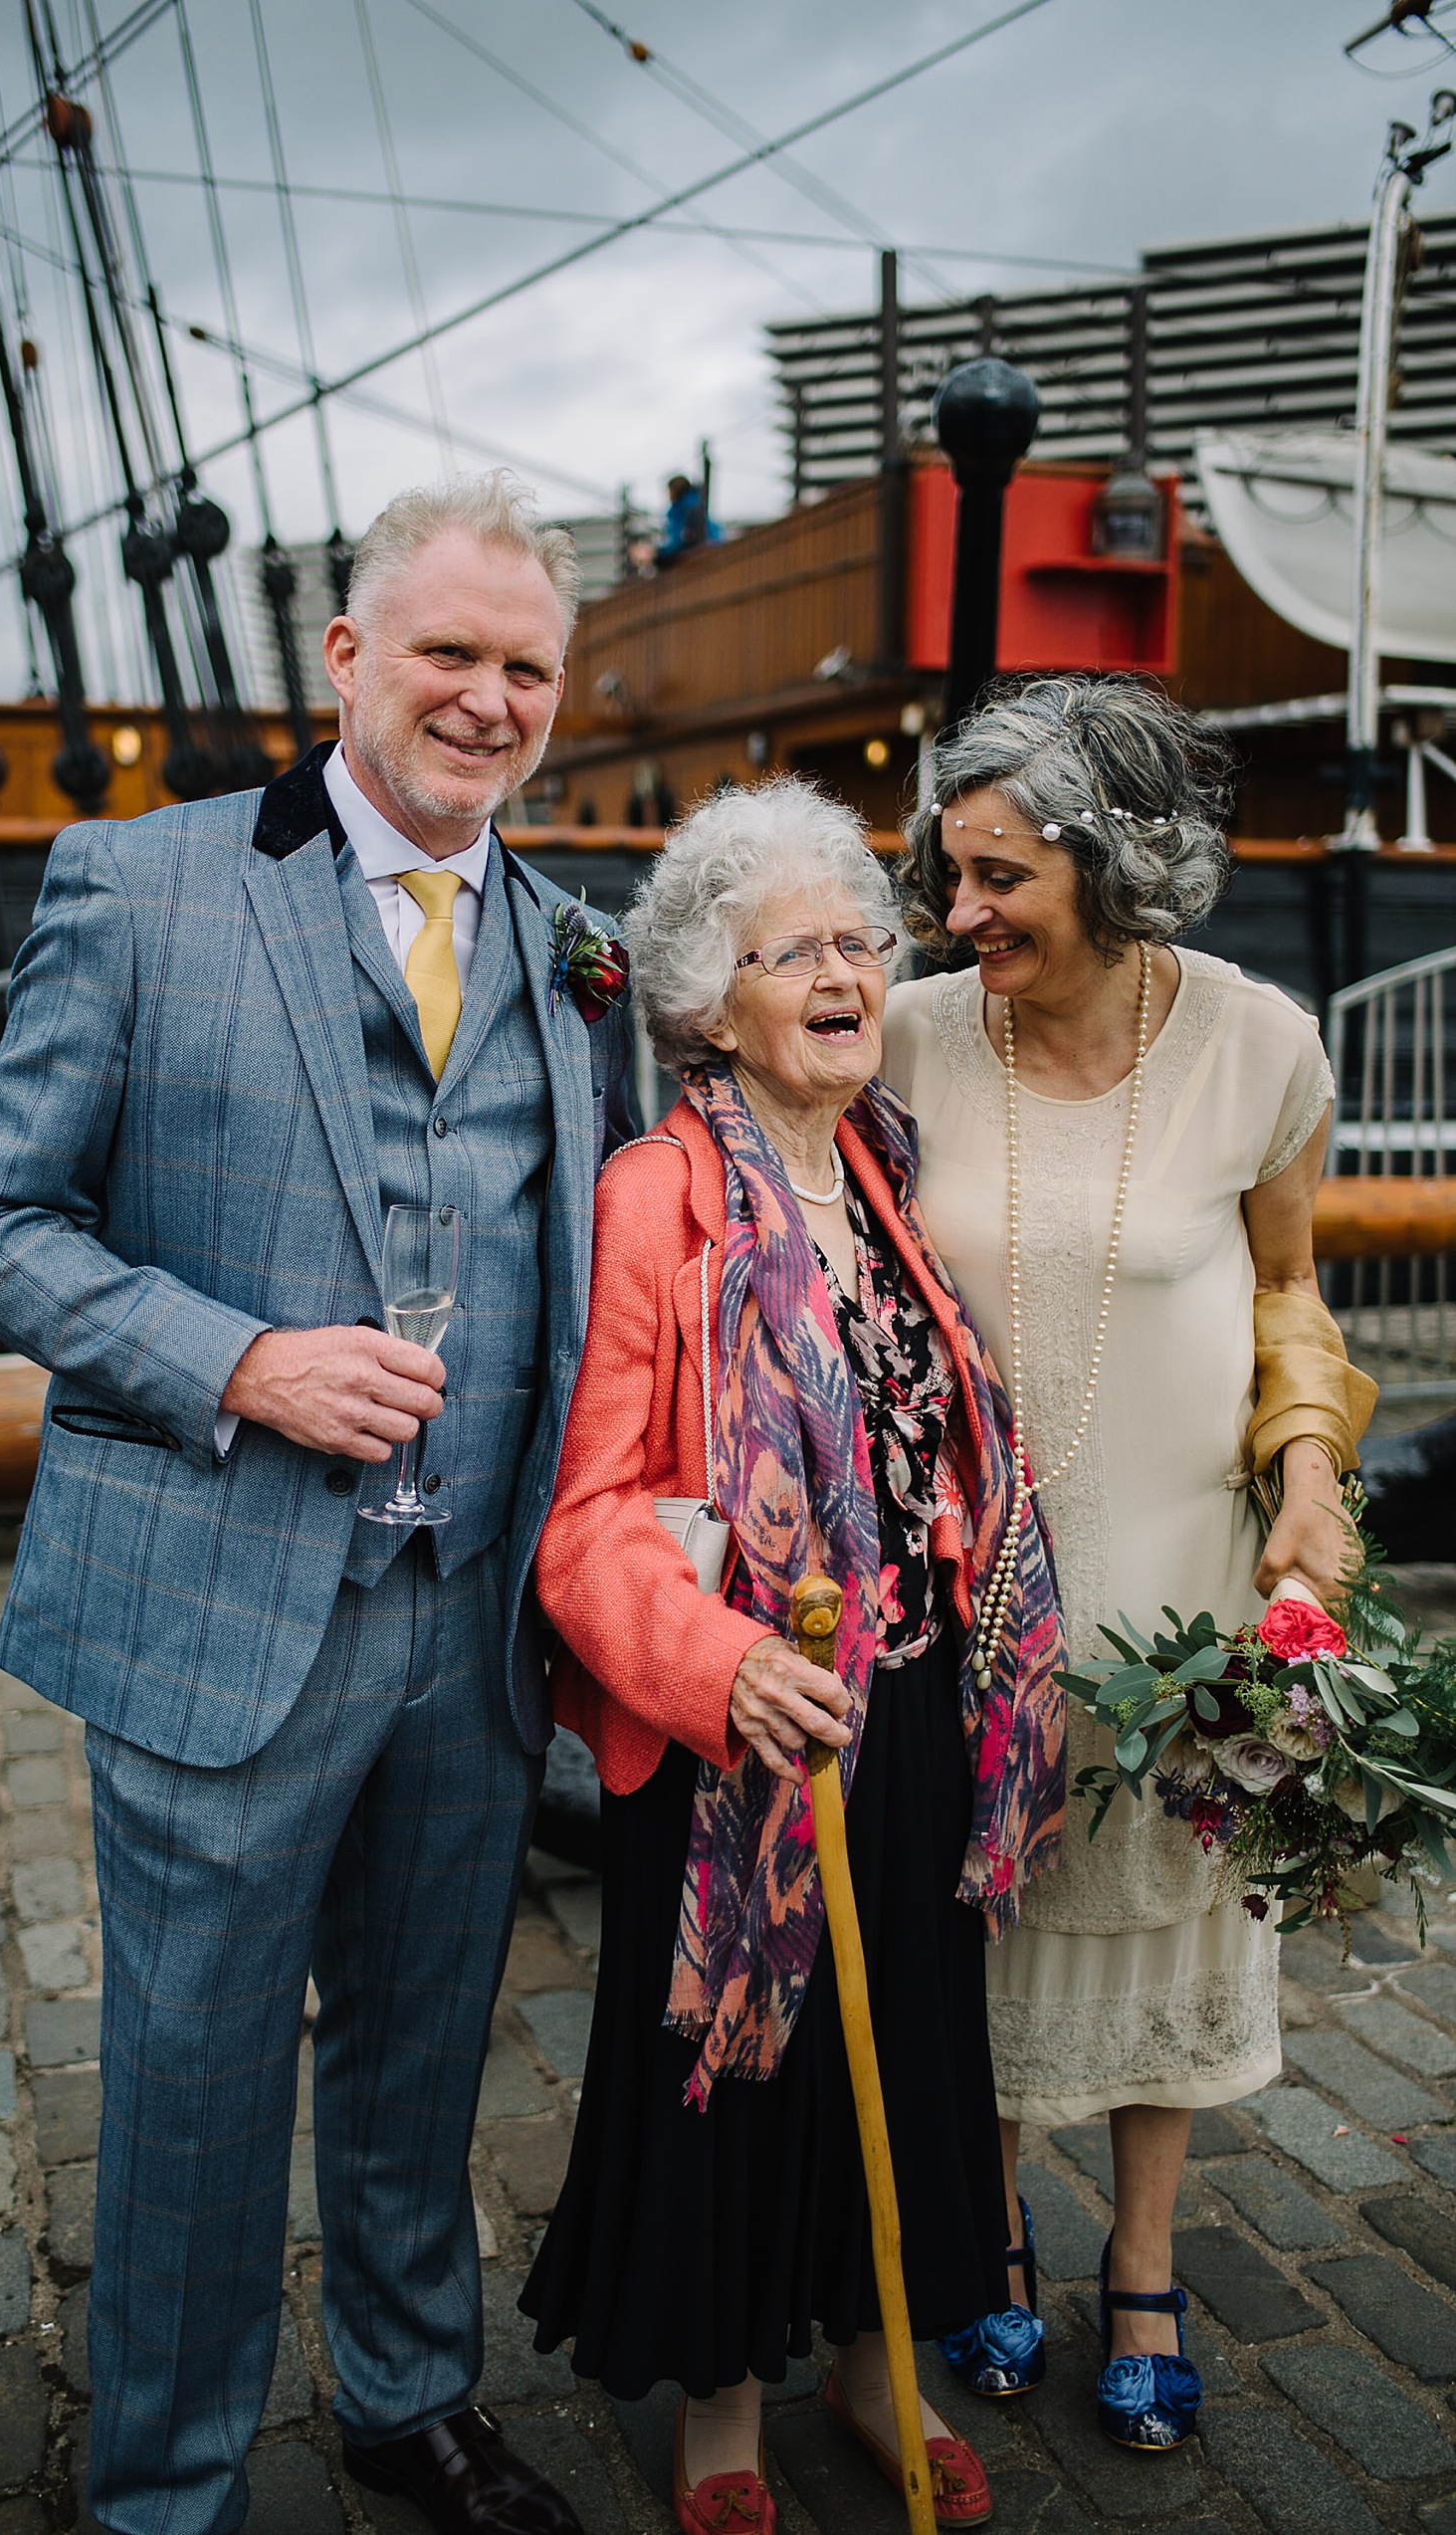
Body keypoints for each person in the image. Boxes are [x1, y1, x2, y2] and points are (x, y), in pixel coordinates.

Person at [0, 472, 638, 2535]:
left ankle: (411, 2398)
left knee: (424, 2055)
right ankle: (163, 2484)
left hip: (471, 1621)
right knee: (196, 2080)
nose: (487, 700)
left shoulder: (584, 956)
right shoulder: (136, 886)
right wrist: (234, 1356)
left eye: (525, 669)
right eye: (448, 653)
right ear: (344, 658)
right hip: (217, 1605)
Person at [519, 778, 1068, 2534]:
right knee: (744, 2061)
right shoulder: (654, 1198)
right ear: (709, 997)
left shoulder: (895, 1170)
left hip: (909, 1699)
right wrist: (716, 1665)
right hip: (742, 1728)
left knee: (901, 2040)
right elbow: (587, 1514)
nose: (842, 972)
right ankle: (729, 2410)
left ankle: (876, 2357)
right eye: (793, 951)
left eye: (859, 940)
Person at [882, 674, 1374, 2453]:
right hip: (967, 1592)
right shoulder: (914, 1033)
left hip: (1187, 1585)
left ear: (1117, 862)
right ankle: (992, 2234)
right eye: (951, 874)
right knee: (984, 1922)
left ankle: (1147, 2261)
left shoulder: (1263, 1045)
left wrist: (1312, 1472)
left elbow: (1289, 1293)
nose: (960, 915)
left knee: (1166, 1904)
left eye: (1002, 876)